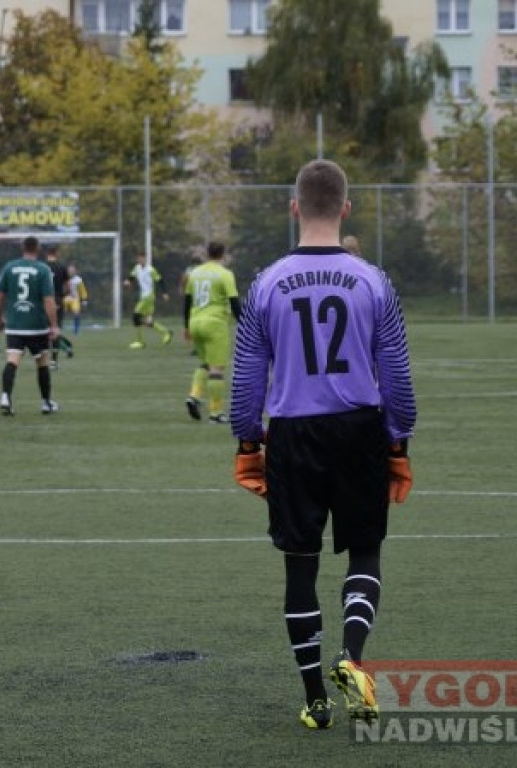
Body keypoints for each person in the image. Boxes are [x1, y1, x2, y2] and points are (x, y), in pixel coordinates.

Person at [229, 159, 417, 731]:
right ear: (345, 209)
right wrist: (398, 441)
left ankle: (315, 700)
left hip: (294, 434)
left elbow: (245, 379)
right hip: (359, 429)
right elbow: (398, 377)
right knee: (364, 551)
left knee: (300, 567)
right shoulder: (373, 280)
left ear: (294, 208)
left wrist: (247, 441)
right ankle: (352, 659)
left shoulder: (265, 281)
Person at [0, 235, 60, 416]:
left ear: (22, 248)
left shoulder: (9, 267)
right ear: (38, 249)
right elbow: (48, 300)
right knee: (42, 362)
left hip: (15, 324)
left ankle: (5, 397)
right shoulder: (43, 269)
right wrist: (54, 325)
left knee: (12, 360)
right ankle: (46, 402)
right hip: (36, 325)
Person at [183, 242, 241, 424]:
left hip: (195, 322)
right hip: (215, 323)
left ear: (208, 254)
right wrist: (245, 324)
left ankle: (194, 395)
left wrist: (186, 327)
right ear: (223, 254)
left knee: (206, 363)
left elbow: (187, 301)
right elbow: (234, 303)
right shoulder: (225, 274)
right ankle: (216, 413)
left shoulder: (195, 273)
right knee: (217, 368)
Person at [123, 251, 173, 349]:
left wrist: (165, 293)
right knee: (147, 321)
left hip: (148, 297)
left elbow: (160, 280)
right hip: (144, 297)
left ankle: (140, 342)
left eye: (142, 258)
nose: (140, 260)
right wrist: (127, 282)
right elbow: (131, 277)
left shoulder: (150, 270)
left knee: (136, 316)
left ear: (145, 259)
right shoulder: (137, 268)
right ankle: (166, 332)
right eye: (138, 258)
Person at [43, 244, 73, 368]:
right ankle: (54, 361)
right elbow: (68, 287)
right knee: (55, 329)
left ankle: (42, 358)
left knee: (43, 330)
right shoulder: (62, 267)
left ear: (47, 254)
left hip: (44, 300)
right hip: (57, 300)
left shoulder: (42, 267)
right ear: (57, 254)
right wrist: (61, 296)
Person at [62, 262, 88, 335]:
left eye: (72, 270)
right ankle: (58, 327)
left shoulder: (78, 280)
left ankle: (76, 330)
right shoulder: (63, 278)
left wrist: (84, 299)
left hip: (74, 299)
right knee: (60, 313)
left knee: (76, 314)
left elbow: (83, 290)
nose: (71, 272)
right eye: (70, 270)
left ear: (75, 271)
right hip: (65, 298)